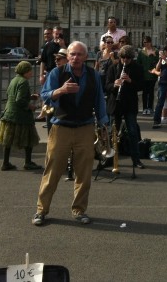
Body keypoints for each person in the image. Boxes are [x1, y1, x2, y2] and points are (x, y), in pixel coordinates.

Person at [33, 41, 108, 226]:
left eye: (79, 55)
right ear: (67, 56)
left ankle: (79, 210)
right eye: (72, 54)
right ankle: (41, 210)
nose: (75, 58)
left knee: (84, 173)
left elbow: (99, 100)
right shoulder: (57, 73)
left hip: (85, 127)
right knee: (52, 171)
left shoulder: (93, 75)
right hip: (61, 127)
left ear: (85, 57)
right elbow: (45, 95)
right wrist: (61, 90)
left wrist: (104, 125)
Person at [105, 45, 145, 168]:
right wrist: (115, 85)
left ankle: (136, 159)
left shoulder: (137, 68)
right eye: (123, 57)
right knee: (113, 133)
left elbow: (141, 86)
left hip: (129, 104)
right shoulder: (113, 68)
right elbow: (106, 86)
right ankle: (110, 159)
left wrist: (130, 81)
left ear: (132, 58)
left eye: (128, 58)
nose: (125, 60)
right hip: (116, 104)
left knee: (132, 132)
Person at [0, 61, 41, 171]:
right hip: (20, 115)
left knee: (8, 139)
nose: (31, 73)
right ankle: (28, 162)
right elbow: (20, 100)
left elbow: (11, 95)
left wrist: (30, 96)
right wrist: (31, 106)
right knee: (29, 138)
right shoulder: (24, 82)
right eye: (30, 70)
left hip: (9, 113)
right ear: (25, 71)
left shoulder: (14, 80)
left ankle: (5, 162)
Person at [138, 36, 158, 115]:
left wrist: (153, 56)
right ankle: (144, 108)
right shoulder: (141, 52)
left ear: (150, 42)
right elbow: (138, 63)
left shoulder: (155, 51)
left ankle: (150, 107)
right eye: (144, 42)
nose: (146, 44)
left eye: (147, 42)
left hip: (152, 75)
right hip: (144, 75)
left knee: (151, 91)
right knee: (145, 92)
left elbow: (157, 62)